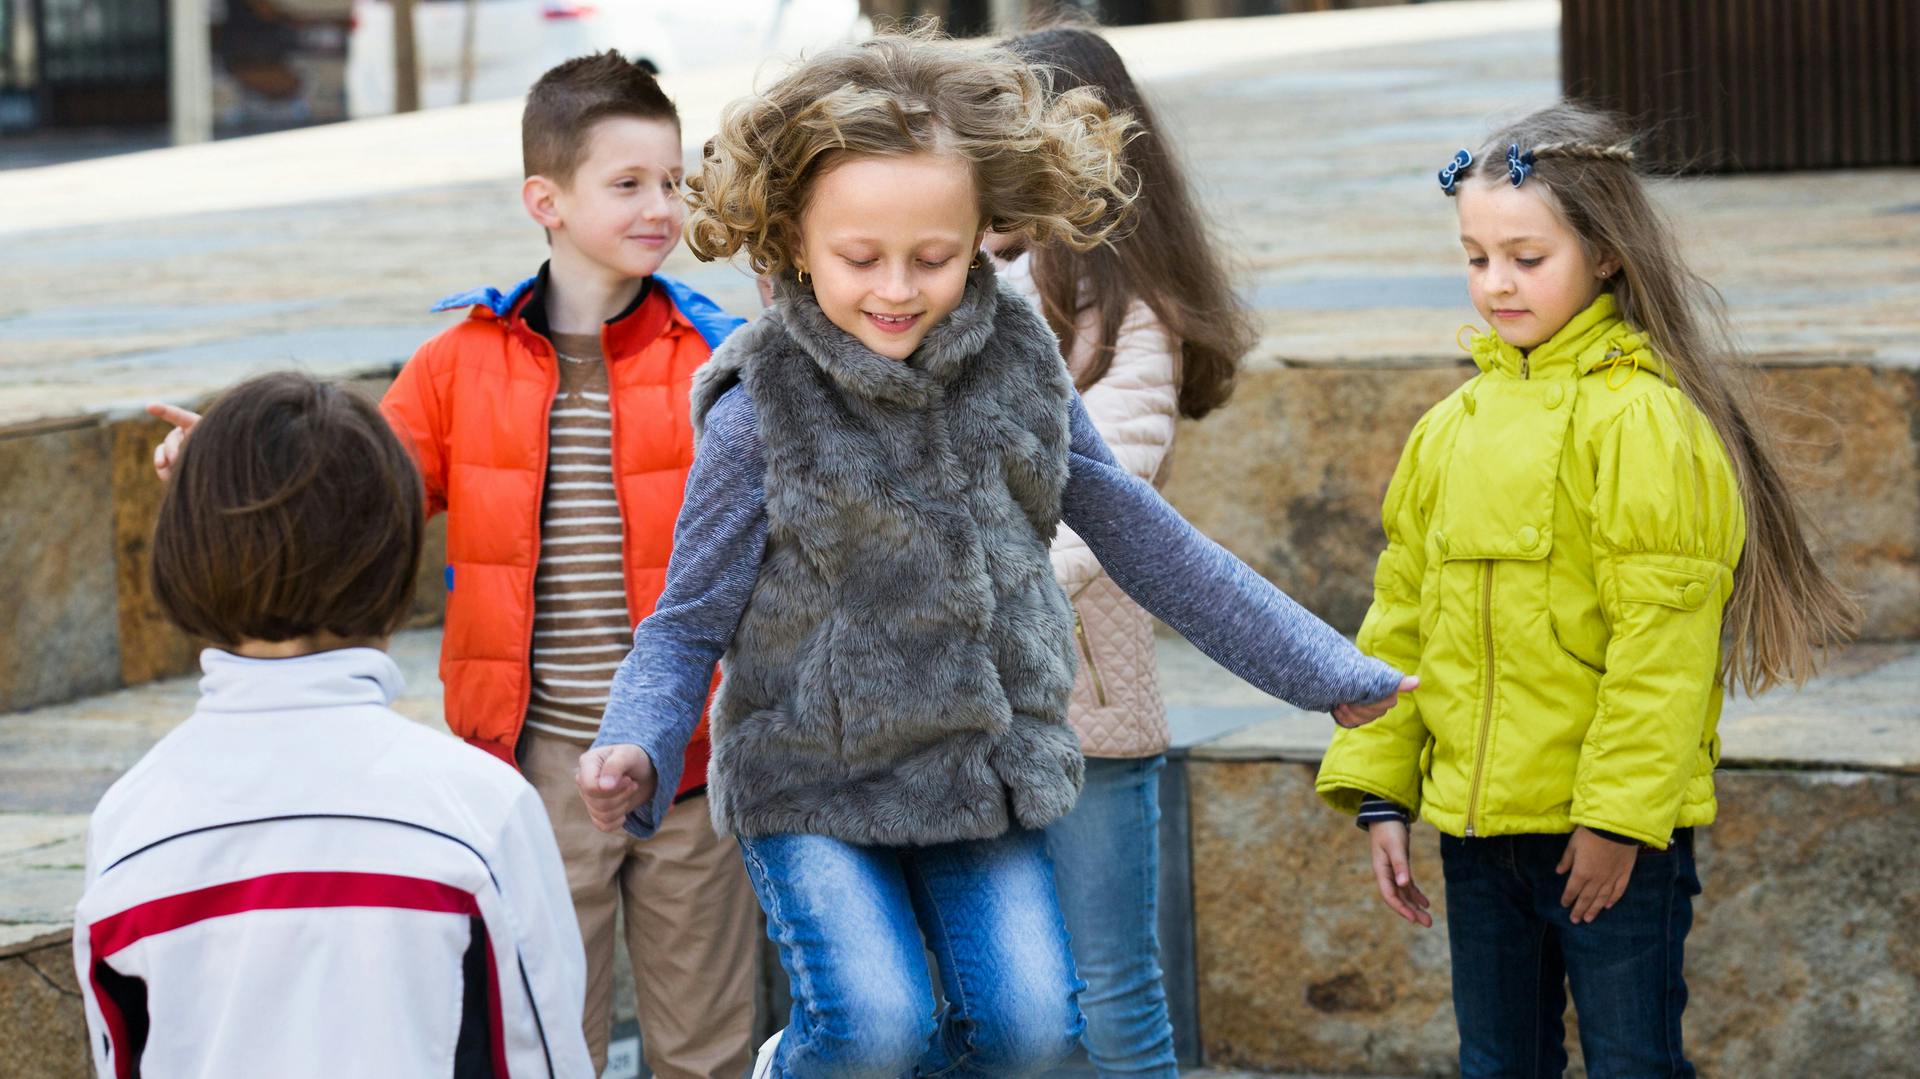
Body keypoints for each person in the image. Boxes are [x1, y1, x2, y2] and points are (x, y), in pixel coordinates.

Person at [574, 31, 1414, 1079]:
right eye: (859, 257)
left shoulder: (1020, 363)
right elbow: (688, 619)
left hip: (981, 771)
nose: (897, 287)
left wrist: (1327, 671)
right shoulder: (764, 408)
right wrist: (638, 739)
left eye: (932, 256)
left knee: (1026, 1029)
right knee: (876, 1023)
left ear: (983, 233)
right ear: (793, 240)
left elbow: (1144, 535)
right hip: (811, 784)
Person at [146, 51, 762, 1079]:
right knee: (552, 1034)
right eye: (627, 183)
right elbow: (357, 490)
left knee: (707, 1047)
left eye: (672, 181)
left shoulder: (719, 355)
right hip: (533, 769)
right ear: (545, 199)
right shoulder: (457, 362)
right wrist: (222, 455)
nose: (660, 206)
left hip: (690, 761)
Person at [1316, 104, 1860, 1078]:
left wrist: (1613, 820)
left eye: (1528, 256)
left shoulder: (1646, 424)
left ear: (1606, 253)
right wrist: (1380, 788)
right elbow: (1401, 613)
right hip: (1480, 837)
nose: (1497, 284)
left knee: (1631, 1060)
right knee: (1496, 1059)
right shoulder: (1450, 428)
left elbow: (1665, 649)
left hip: (1610, 837)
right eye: (1477, 257)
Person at [76, 372, 594, 1078]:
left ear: (184, 559)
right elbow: (543, 1057)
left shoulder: (129, 823)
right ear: (394, 559)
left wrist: (222, 496)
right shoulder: (479, 808)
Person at [985, 24, 1258, 1077]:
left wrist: (963, 592)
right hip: (957, 704)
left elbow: (1106, 500)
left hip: (1087, 700)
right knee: (1002, 996)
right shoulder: (947, 270)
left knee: (1111, 986)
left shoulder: (1130, 311)